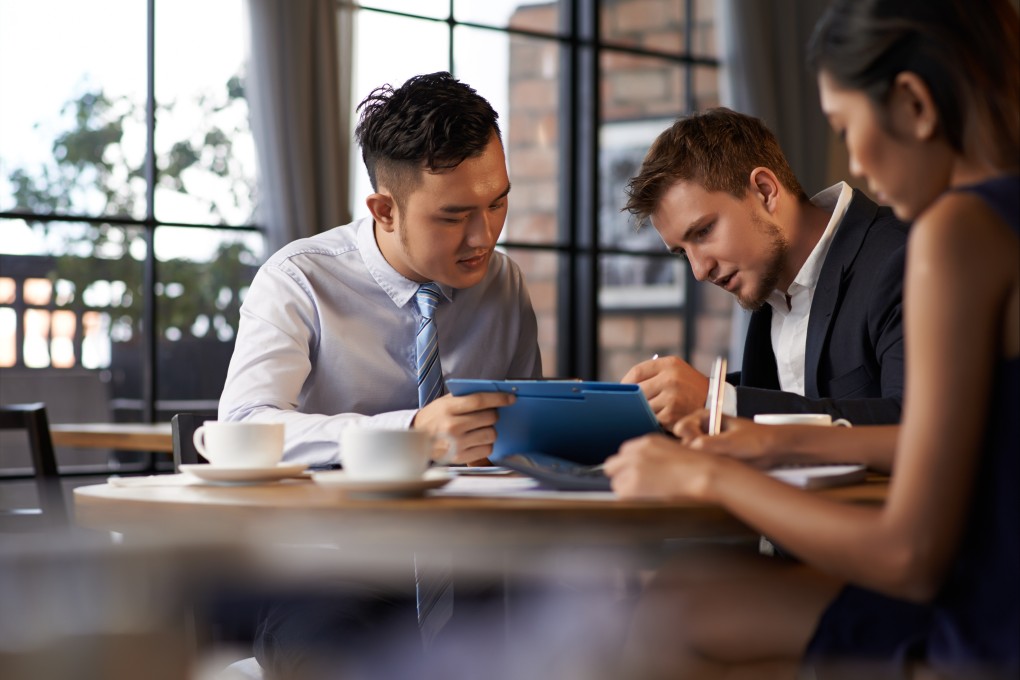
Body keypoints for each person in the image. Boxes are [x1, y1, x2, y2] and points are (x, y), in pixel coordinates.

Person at [604, 0, 1019, 678]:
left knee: (670, 609)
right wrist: (766, 435)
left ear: (914, 103)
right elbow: (942, 436)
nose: (852, 159)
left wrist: (709, 473)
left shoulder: (954, 235)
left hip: (987, 628)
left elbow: (909, 557)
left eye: (845, 127)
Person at [218, 71, 542, 466]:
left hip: (475, 521)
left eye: (496, 204)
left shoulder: (503, 282)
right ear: (385, 211)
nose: (484, 237)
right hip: (334, 521)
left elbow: (526, 437)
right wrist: (411, 433)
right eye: (454, 218)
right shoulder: (298, 280)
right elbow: (242, 427)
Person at [621, 107, 909, 433]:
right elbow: (793, 396)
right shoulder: (770, 285)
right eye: (682, 252)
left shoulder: (901, 260)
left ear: (765, 191)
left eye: (703, 232)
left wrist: (718, 402)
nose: (699, 271)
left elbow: (916, 426)